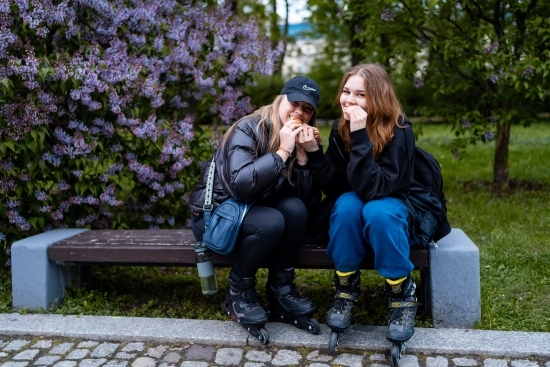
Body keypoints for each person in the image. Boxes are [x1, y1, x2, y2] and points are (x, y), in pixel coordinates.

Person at [298, 64, 429, 353]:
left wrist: (359, 136)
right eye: (346, 92)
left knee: (377, 212)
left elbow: (377, 189)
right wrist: (315, 153)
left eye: (360, 94)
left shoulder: (400, 129)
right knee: (344, 207)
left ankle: (401, 294)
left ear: (377, 98)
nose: (349, 100)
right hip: (357, 197)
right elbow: (337, 185)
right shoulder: (339, 128)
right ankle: (345, 288)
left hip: (394, 199)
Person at [188, 76, 322, 344]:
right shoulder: (248, 128)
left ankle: (280, 291)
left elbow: (306, 207)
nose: (299, 112)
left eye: (307, 109)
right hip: (216, 216)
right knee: (271, 221)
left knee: (295, 210)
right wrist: (284, 151)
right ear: (280, 100)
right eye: (294, 103)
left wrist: (306, 156)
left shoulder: (300, 139)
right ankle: (238, 293)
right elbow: (242, 186)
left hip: (253, 209)